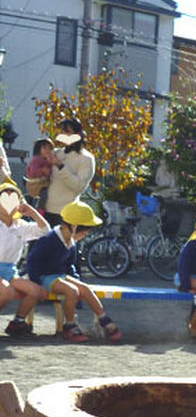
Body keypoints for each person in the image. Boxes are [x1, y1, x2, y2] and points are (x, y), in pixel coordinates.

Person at [26, 200, 121, 343]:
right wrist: (35, 283)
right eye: (84, 231)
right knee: (72, 291)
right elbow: (32, 260)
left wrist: (76, 280)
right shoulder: (49, 239)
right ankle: (69, 326)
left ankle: (103, 318)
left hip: (59, 276)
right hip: (43, 277)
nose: (85, 234)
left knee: (85, 288)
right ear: (73, 227)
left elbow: (70, 266)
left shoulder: (70, 242)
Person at [0, 182, 50, 336]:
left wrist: (33, 213)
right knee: (7, 292)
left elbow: (45, 231)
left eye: (13, 200)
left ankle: (17, 323)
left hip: (9, 270)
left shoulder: (21, 225)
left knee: (37, 291)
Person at [45, 118, 95, 226]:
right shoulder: (56, 153)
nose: (63, 134)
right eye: (62, 131)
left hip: (66, 214)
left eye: (67, 131)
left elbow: (79, 187)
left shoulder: (86, 158)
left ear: (78, 134)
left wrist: (60, 166)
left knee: (63, 243)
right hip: (45, 210)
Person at [26, 137, 55, 212]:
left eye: (50, 148)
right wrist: (42, 171)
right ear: (38, 149)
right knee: (44, 195)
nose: (47, 150)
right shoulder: (36, 159)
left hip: (43, 183)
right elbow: (32, 172)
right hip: (36, 184)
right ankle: (40, 209)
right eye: (45, 148)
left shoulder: (47, 160)